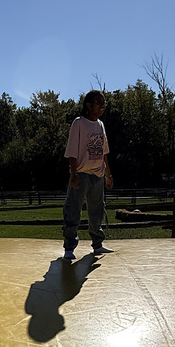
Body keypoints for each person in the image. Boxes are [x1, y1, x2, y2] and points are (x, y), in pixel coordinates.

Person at [62, 90, 114, 259]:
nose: (103, 106)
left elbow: (104, 152)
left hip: (97, 175)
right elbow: (72, 152)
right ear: (89, 105)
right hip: (82, 173)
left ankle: (97, 244)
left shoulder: (100, 125)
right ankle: (69, 247)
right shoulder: (79, 123)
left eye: (104, 103)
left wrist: (108, 175)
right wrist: (74, 173)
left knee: (97, 210)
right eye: (99, 103)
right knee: (73, 209)